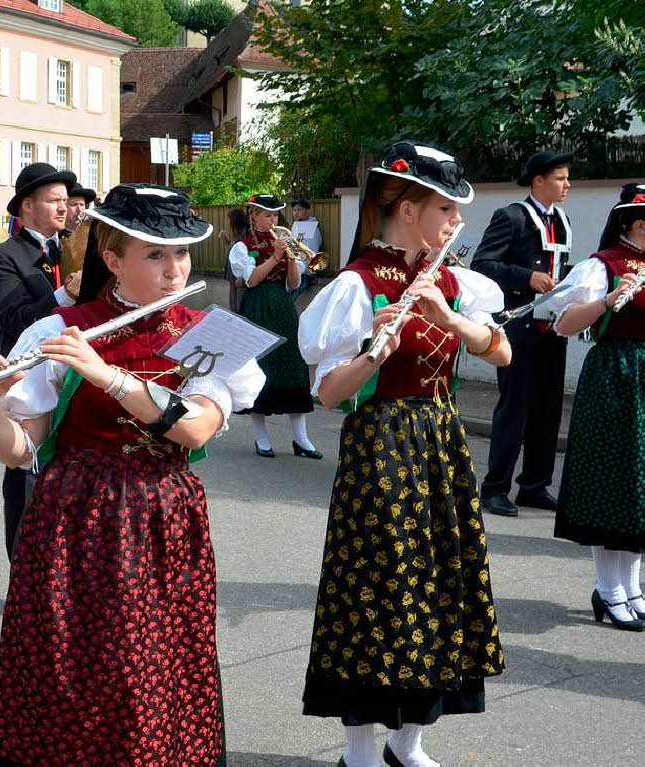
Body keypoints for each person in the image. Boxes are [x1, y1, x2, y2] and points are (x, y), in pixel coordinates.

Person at [0, 183, 263, 766]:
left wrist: (108, 377)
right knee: (69, 667)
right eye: (155, 254)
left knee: (154, 665)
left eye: (181, 253)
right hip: (73, 516)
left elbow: (195, 429)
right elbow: (19, 449)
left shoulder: (211, 330)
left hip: (162, 514)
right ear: (112, 261)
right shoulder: (61, 329)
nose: (174, 269)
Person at [299, 141, 509, 767]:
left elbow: (500, 352)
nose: (453, 223)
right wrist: (372, 354)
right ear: (409, 207)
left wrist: (447, 317)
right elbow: (329, 394)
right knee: (376, 587)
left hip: (440, 442)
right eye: (445, 208)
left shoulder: (453, 280)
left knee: (439, 584)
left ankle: (408, 742)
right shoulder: (355, 283)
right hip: (381, 443)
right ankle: (359, 747)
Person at [544, 183, 645, 631]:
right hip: (616, 374)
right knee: (613, 479)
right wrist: (607, 301)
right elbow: (563, 323)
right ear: (635, 225)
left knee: (640, 485)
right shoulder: (603, 266)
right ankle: (609, 588)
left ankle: (634, 587)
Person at [0, 163, 82, 560]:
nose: (64, 208)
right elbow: (12, 317)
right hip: (26, 382)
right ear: (27, 205)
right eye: (54, 200)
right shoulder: (2, 257)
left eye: (66, 201)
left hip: (72, 378)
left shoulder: (73, 248)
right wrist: (63, 298)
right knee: (26, 479)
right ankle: (22, 577)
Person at [471, 150, 574, 518]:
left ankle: (534, 485)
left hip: (553, 328)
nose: (566, 185)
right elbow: (482, 263)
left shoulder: (561, 220)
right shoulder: (512, 216)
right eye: (560, 178)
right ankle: (495, 487)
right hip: (518, 326)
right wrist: (526, 277)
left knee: (547, 410)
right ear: (538, 181)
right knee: (514, 407)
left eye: (566, 178)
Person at [228, 194, 320, 459]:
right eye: (267, 215)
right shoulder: (242, 247)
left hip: (282, 305)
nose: (273, 220)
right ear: (253, 216)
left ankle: (301, 439)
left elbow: (292, 283)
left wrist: (290, 258)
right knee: (261, 367)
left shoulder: (285, 241)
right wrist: (274, 256)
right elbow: (252, 280)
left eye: (276, 215)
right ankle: (261, 437)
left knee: (293, 365)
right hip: (257, 306)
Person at [219, 207, 249, 312]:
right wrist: (225, 238)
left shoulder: (245, 233)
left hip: (239, 273)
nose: (229, 222)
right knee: (233, 295)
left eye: (230, 219)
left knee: (238, 297)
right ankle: (235, 313)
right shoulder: (238, 232)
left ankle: (237, 315)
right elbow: (234, 250)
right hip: (233, 272)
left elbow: (249, 253)